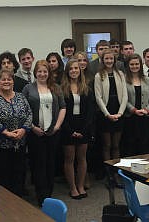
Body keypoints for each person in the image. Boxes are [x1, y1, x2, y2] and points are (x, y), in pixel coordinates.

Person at [22, 60, 65, 204]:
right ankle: (41, 195)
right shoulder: (28, 88)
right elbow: (24, 110)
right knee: (38, 164)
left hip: (53, 132)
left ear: (49, 73)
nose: (42, 74)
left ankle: (49, 194)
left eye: (45, 71)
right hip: (35, 132)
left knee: (50, 163)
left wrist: (57, 126)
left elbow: (63, 107)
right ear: (35, 72)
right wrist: (33, 127)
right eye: (39, 71)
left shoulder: (56, 88)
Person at [0, 69, 32, 196]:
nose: (6, 81)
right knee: (2, 178)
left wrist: (23, 130)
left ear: (13, 81)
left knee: (19, 176)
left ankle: (18, 204)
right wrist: (6, 132)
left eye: (9, 79)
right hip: (0, 146)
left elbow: (29, 114)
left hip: (19, 145)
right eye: (3, 79)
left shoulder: (21, 97)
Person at [60, 59, 96, 198]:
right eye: (71, 69)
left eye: (76, 68)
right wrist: (70, 131)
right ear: (67, 71)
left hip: (83, 127)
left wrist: (84, 129)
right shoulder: (61, 89)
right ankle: (73, 187)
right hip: (67, 127)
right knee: (69, 158)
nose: (74, 71)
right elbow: (61, 111)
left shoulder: (86, 88)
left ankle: (81, 186)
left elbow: (90, 112)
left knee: (82, 158)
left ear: (80, 70)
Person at [94, 51, 128, 160]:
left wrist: (120, 113)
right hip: (105, 114)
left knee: (116, 145)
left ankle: (116, 171)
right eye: (106, 59)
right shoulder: (99, 75)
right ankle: (108, 172)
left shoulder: (120, 74)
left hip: (118, 111)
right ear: (103, 60)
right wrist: (107, 114)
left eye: (111, 59)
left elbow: (125, 96)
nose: (109, 61)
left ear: (114, 60)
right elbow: (98, 97)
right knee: (107, 145)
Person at [124, 54, 149, 156]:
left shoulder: (147, 79)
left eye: (137, 64)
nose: (134, 66)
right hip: (130, 118)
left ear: (140, 65)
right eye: (132, 64)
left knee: (145, 144)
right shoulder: (123, 80)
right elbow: (123, 99)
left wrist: (147, 110)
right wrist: (133, 110)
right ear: (128, 65)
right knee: (130, 145)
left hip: (145, 118)